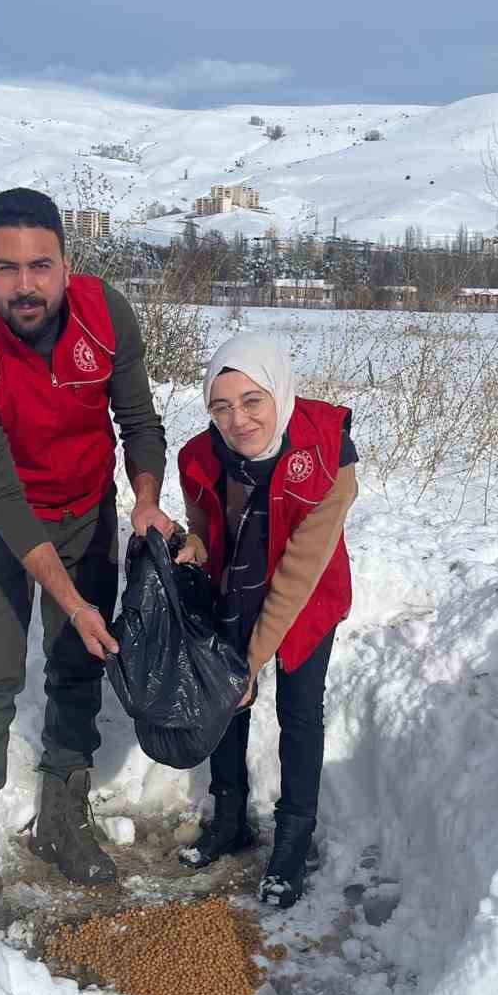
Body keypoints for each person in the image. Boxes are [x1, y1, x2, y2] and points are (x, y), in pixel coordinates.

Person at [0, 187, 174, 916]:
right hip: (3, 521)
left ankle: (64, 812)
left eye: (41, 266)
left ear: (67, 264)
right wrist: (70, 598)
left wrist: (148, 499)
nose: (25, 285)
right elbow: (1, 495)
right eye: (6, 268)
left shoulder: (106, 312)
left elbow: (138, 419)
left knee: (76, 661)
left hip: (88, 508)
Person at [175, 335, 357, 909]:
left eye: (252, 401)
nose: (238, 420)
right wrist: (192, 548)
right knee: (227, 702)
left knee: (299, 710)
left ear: (279, 392)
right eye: (221, 407)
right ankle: (231, 820)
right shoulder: (199, 457)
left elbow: (299, 573)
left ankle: (293, 839)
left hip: (308, 593)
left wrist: (250, 663)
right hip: (237, 586)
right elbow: (203, 520)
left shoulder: (327, 457)